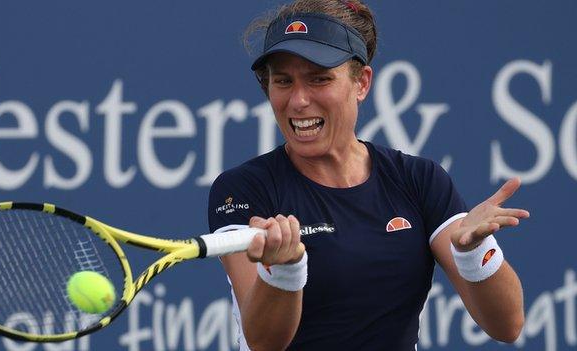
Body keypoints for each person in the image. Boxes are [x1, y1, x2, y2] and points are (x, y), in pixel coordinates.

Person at [207, 1, 529, 350]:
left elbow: (508, 325)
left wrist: (474, 254)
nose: (298, 100)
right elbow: (264, 343)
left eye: (319, 78)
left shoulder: (420, 180)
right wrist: (284, 269)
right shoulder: (241, 190)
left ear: (361, 83)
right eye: (283, 81)